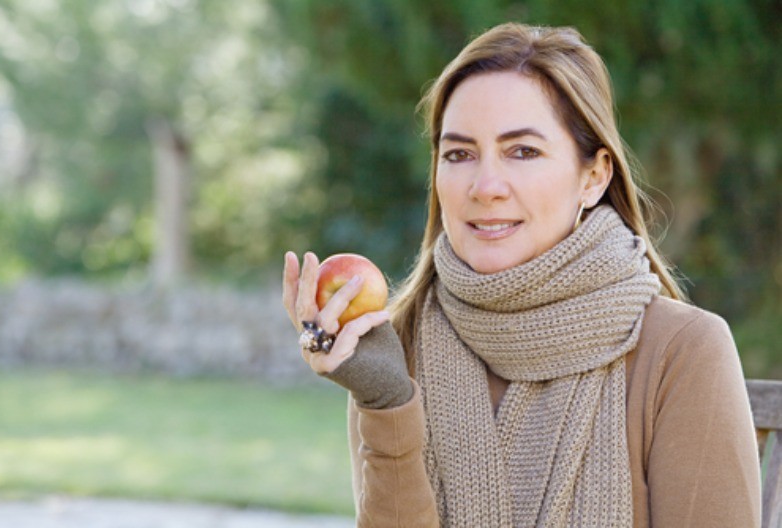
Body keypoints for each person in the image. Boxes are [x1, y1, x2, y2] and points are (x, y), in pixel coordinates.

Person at [283, 22, 761, 527]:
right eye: (459, 154)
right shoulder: (395, 349)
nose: (486, 186)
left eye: (523, 152)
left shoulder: (683, 351)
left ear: (594, 177)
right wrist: (386, 402)